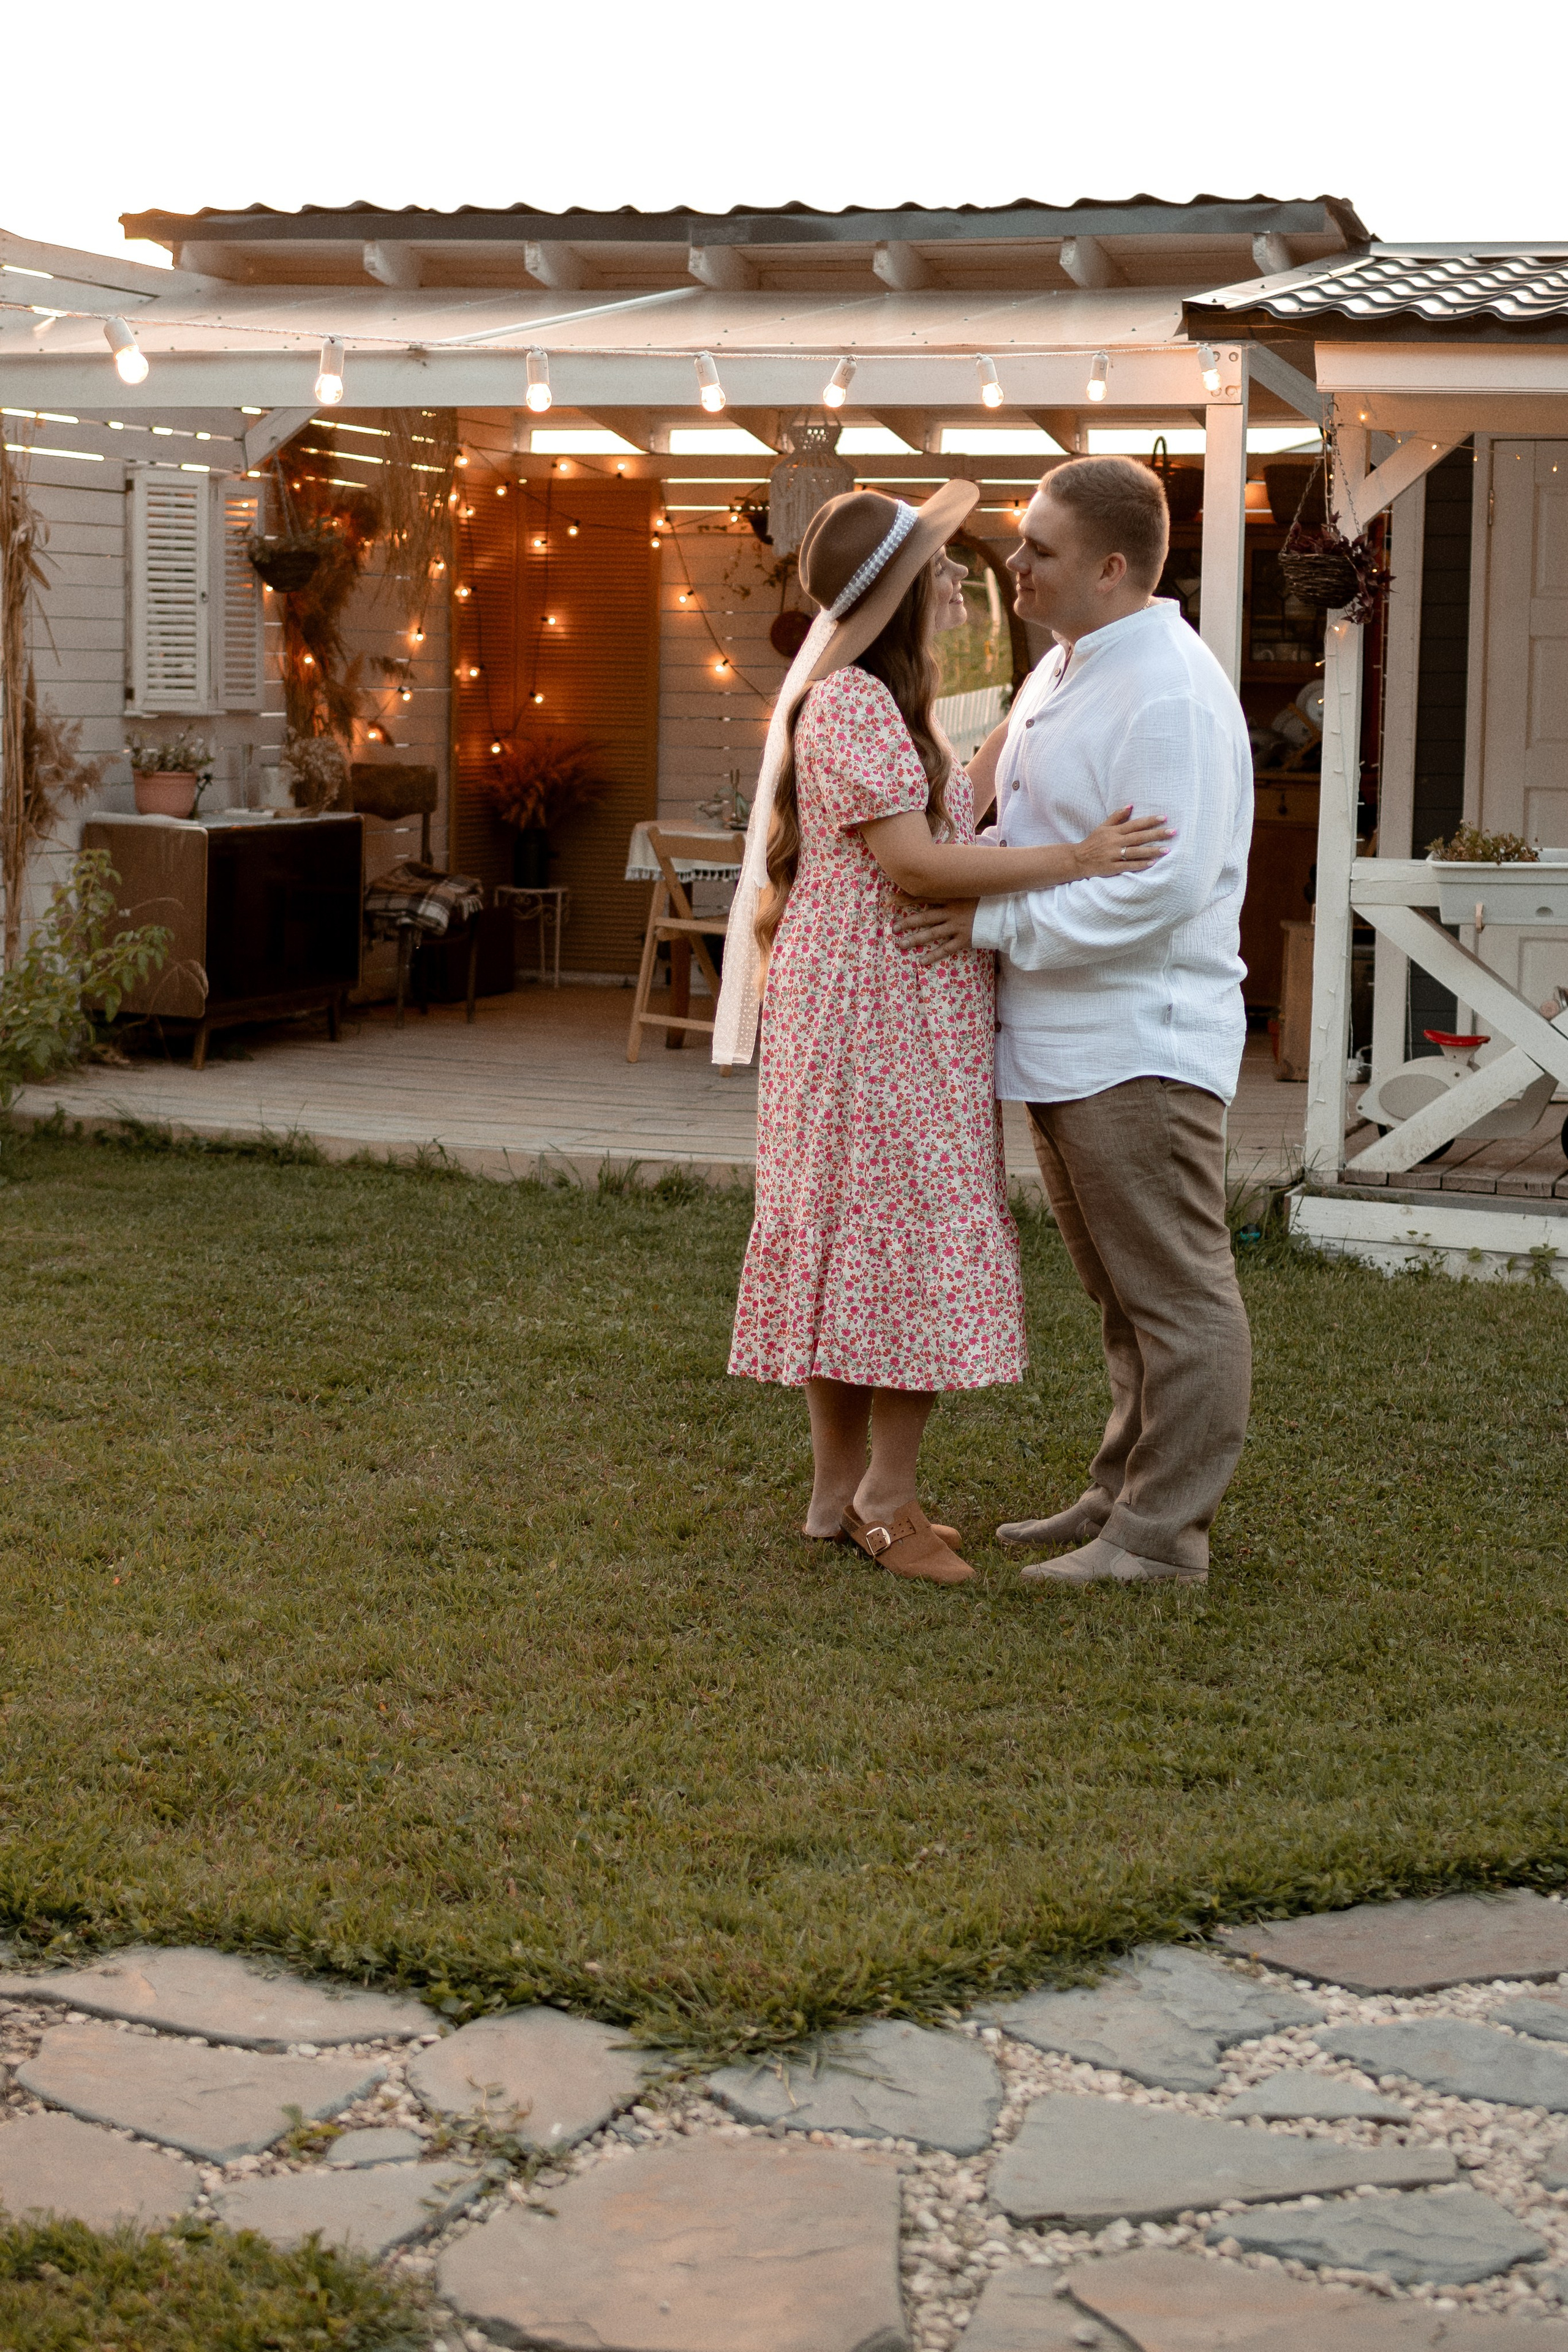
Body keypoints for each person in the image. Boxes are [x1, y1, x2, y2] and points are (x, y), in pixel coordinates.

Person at [714, 483, 1172, 1588]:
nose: (962, 586)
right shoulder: (859, 707)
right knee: (902, 1240)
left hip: (871, 1004)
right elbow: (916, 864)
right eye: (942, 574)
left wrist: (1023, 711)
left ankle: (834, 1497)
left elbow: (935, 812)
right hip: (885, 1011)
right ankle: (887, 1498)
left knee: (850, 1242)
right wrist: (1075, 859)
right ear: (905, 598)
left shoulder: (864, 700)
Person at [898, 455, 1254, 1590]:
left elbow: (1162, 886)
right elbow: (1027, 824)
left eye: (1039, 549)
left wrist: (991, 929)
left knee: (1177, 1296)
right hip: (1063, 1042)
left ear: (1111, 567)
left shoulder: (1169, 691)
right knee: (1117, 1295)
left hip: (1136, 1042)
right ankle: (1119, 1494)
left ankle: (1162, 1541)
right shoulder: (1066, 667)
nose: (1014, 563)